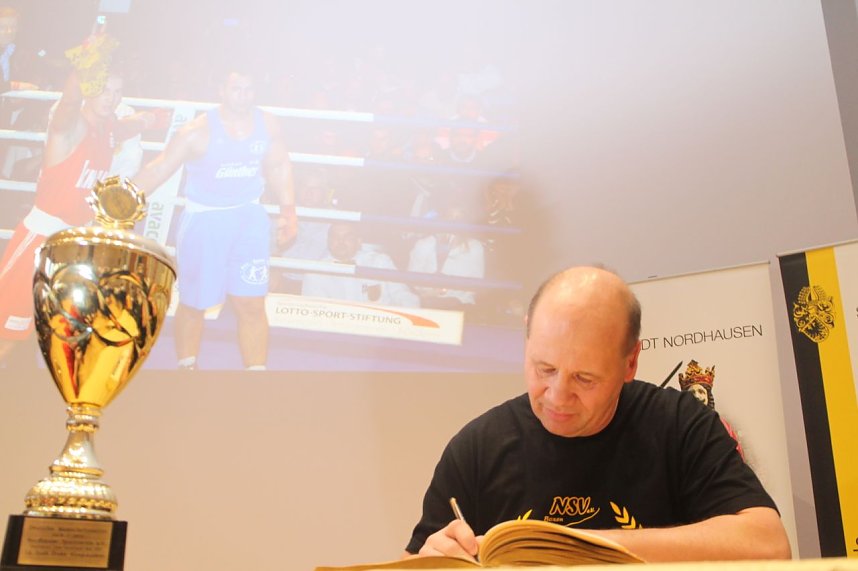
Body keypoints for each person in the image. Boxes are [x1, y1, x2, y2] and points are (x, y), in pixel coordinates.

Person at [405, 266, 791, 562]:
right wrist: (433, 561)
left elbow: (769, 544)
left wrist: (577, 551)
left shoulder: (678, 425)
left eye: (584, 378)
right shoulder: (478, 448)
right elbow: (412, 560)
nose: (557, 396)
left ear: (631, 362)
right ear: (527, 337)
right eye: (544, 369)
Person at [0, 33, 154, 364]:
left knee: (59, 333)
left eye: (116, 92)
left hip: (70, 247)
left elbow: (124, 126)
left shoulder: (107, 131)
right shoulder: (69, 127)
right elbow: (70, 103)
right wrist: (84, 66)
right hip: (39, 242)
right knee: (6, 335)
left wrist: (148, 120)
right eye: (103, 89)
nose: (110, 98)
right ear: (89, 87)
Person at [132, 66, 296, 371]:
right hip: (205, 222)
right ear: (222, 90)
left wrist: (289, 210)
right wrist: (120, 199)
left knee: (252, 302)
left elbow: (278, 165)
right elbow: (159, 168)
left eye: (248, 89)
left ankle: (256, 374)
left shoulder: (268, 124)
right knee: (195, 303)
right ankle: (186, 366)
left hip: (249, 219)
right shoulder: (196, 131)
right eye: (236, 89)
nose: (243, 96)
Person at [301, 222, 419, 307]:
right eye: (335, 237)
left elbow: (402, 294)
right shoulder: (315, 272)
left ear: (359, 241)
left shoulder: (379, 262)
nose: (340, 242)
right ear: (328, 241)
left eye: (348, 237)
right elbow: (314, 312)